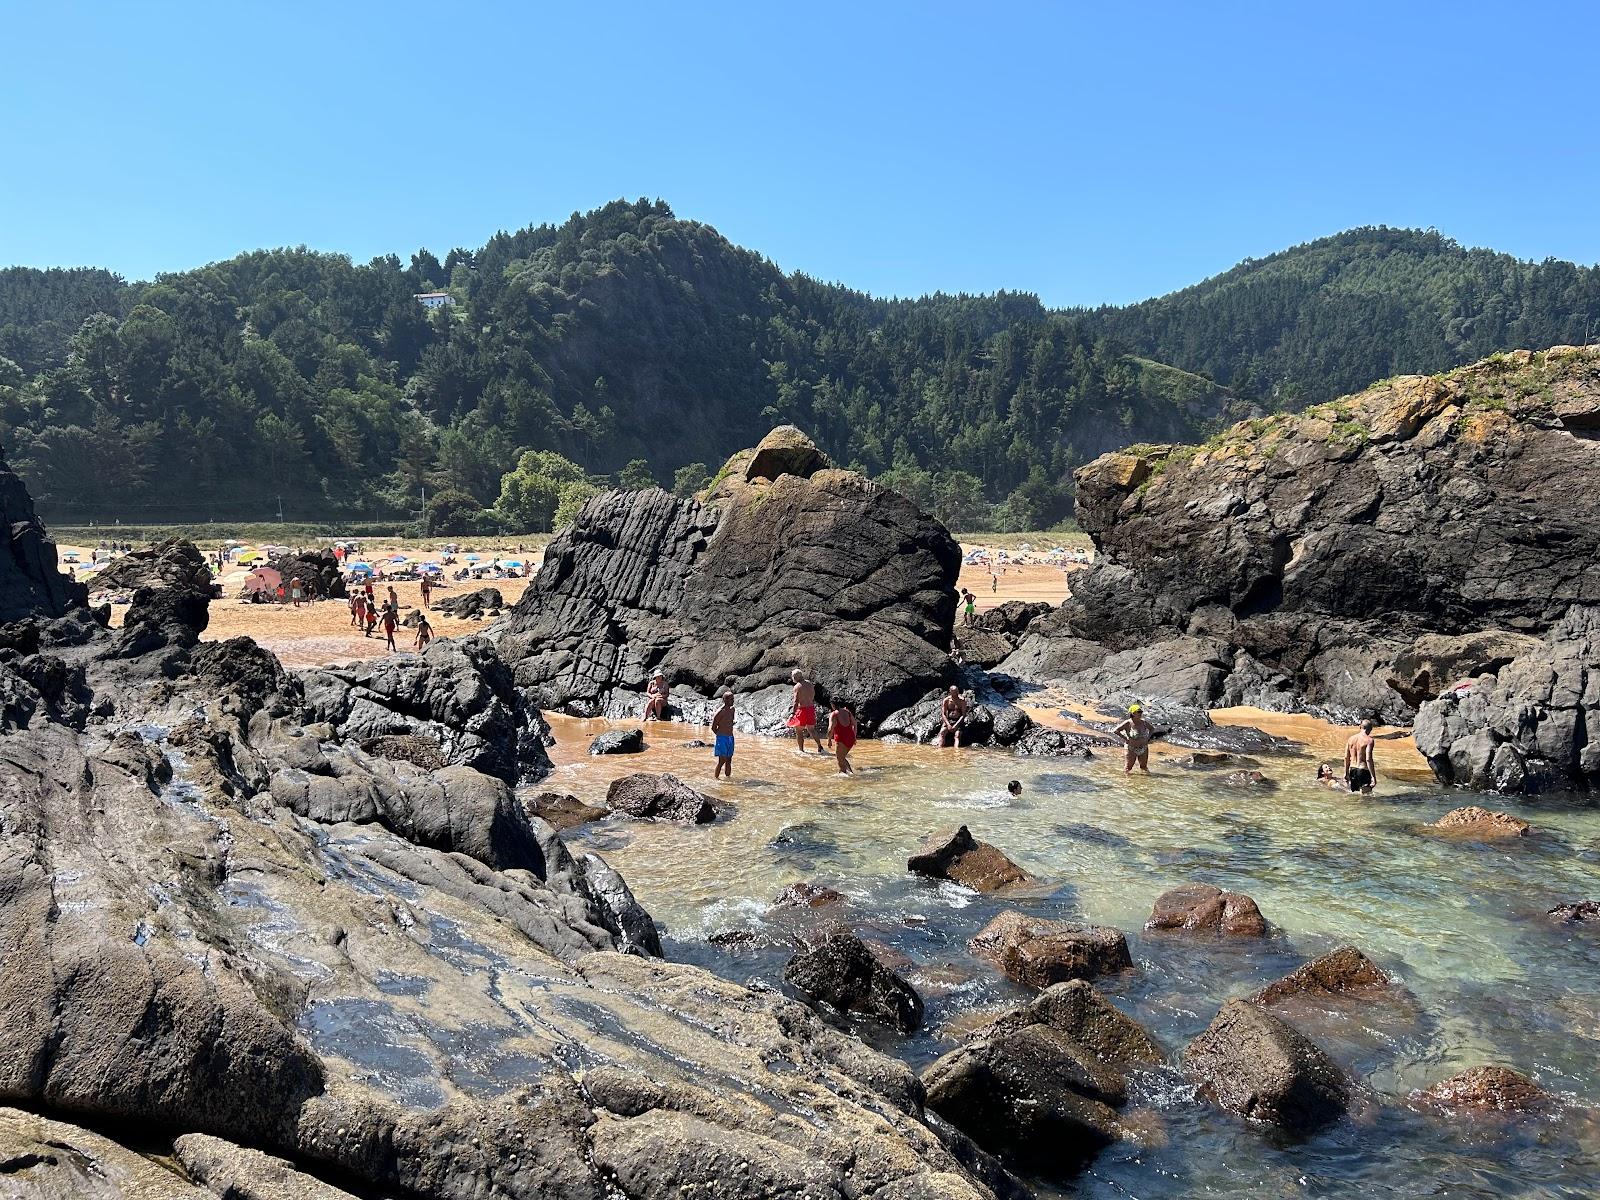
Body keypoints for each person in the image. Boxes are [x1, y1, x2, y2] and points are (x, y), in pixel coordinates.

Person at [787, 669, 822, 753]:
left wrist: (792, 713)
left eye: (793, 677)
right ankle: (819, 745)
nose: (792, 678)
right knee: (812, 729)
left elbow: (796, 701)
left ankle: (801, 750)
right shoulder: (810, 684)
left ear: (795, 677)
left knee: (799, 731)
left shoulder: (797, 687)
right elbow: (813, 695)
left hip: (802, 710)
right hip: (810, 709)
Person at [1114, 703, 1153, 774]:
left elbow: (1152, 729)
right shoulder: (1128, 723)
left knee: (1144, 767)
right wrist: (1126, 738)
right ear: (1133, 713)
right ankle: (1127, 783)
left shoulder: (1144, 722)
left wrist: (1148, 738)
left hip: (1143, 748)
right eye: (1138, 712)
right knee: (1128, 768)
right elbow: (1116, 731)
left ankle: (1145, 783)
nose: (1140, 713)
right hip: (1131, 748)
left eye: (1141, 712)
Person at [1344, 719, 1378, 794]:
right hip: (1363, 770)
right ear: (1370, 729)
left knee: (1354, 794)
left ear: (1360, 727)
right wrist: (1373, 776)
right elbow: (1368, 759)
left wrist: (1346, 772)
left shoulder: (1350, 739)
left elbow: (1346, 757)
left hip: (1352, 770)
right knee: (1366, 796)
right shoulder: (1369, 740)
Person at [827, 700, 857, 774]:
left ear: (832, 705)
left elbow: (830, 728)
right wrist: (854, 736)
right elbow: (855, 724)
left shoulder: (833, 714)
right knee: (842, 758)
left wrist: (829, 739)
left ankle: (843, 778)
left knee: (840, 760)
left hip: (841, 739)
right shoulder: (847, 712)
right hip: (851, 738)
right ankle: (851, 773)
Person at [712, 691, 736, 779]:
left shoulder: (732, 709)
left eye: (733, 699)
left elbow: (731, 721)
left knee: (729, 760)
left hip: (730, 737)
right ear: (725, 700)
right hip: (722, 738)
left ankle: (728, 779)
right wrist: (720, 736)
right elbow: (713, 727)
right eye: (731, 699)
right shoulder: (720, 712)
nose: (733, 701)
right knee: (722, 761)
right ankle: (716, 778)